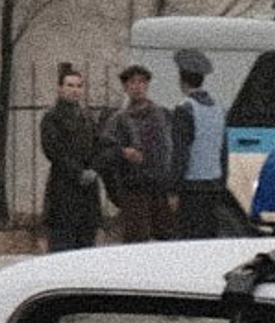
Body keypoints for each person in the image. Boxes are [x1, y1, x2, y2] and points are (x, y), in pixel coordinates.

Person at [98, 62, 179, 245]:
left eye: (142, 82)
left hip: (160, 189)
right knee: (137, 243)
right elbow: (103, 153)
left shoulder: (162, 115)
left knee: (166, 242)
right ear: (125, 88)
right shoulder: (118, 120)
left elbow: (174, 151)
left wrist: (174, 189)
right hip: (134, 190)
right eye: (132, 83)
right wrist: (122, 152)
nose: (138, 87)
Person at [37, 65, 103, 253]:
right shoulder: (52, 118)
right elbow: (54, 151)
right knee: (62, 249)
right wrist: (77, 172)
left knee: (86, 251)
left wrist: (94, 169)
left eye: (79, 86)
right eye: (70, 85)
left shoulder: (87, 117)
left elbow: (98, 145)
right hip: (63, 191)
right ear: (60, 88)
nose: (75, 90)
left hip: (87, 196)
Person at [172, 48, 229, 240]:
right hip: (214, 185)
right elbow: (223, 152)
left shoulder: (185, 109)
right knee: (208, 238)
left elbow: (180, 153)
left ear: (182, 80)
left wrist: (173, 189)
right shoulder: (219, 109)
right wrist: (221, 183)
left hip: (192, 187)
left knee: (189, 239)